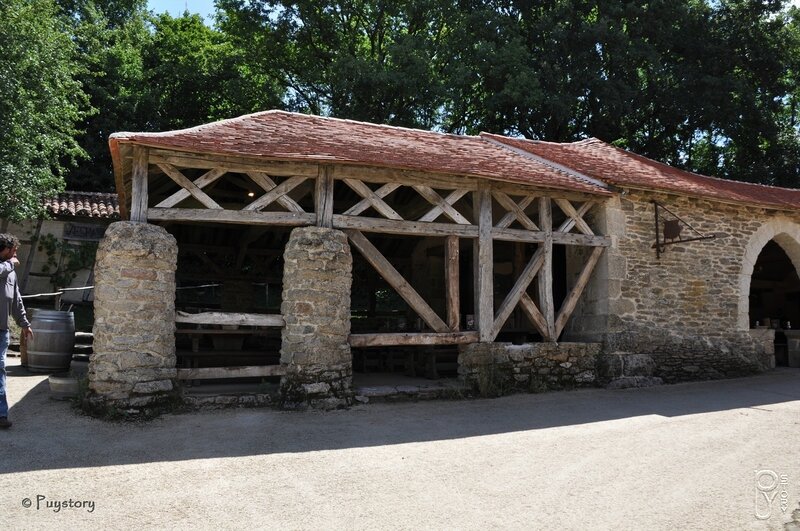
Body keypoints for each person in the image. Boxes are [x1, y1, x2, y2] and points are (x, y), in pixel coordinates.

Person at [0, 233, 33, 429]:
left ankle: (1, 415)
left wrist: (25, 323)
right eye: (12, 250)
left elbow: (16, 301)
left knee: (0, 368)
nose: (15, 254)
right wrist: (11, 263)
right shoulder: (8, 267)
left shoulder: (10, 272)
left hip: (1, 332)